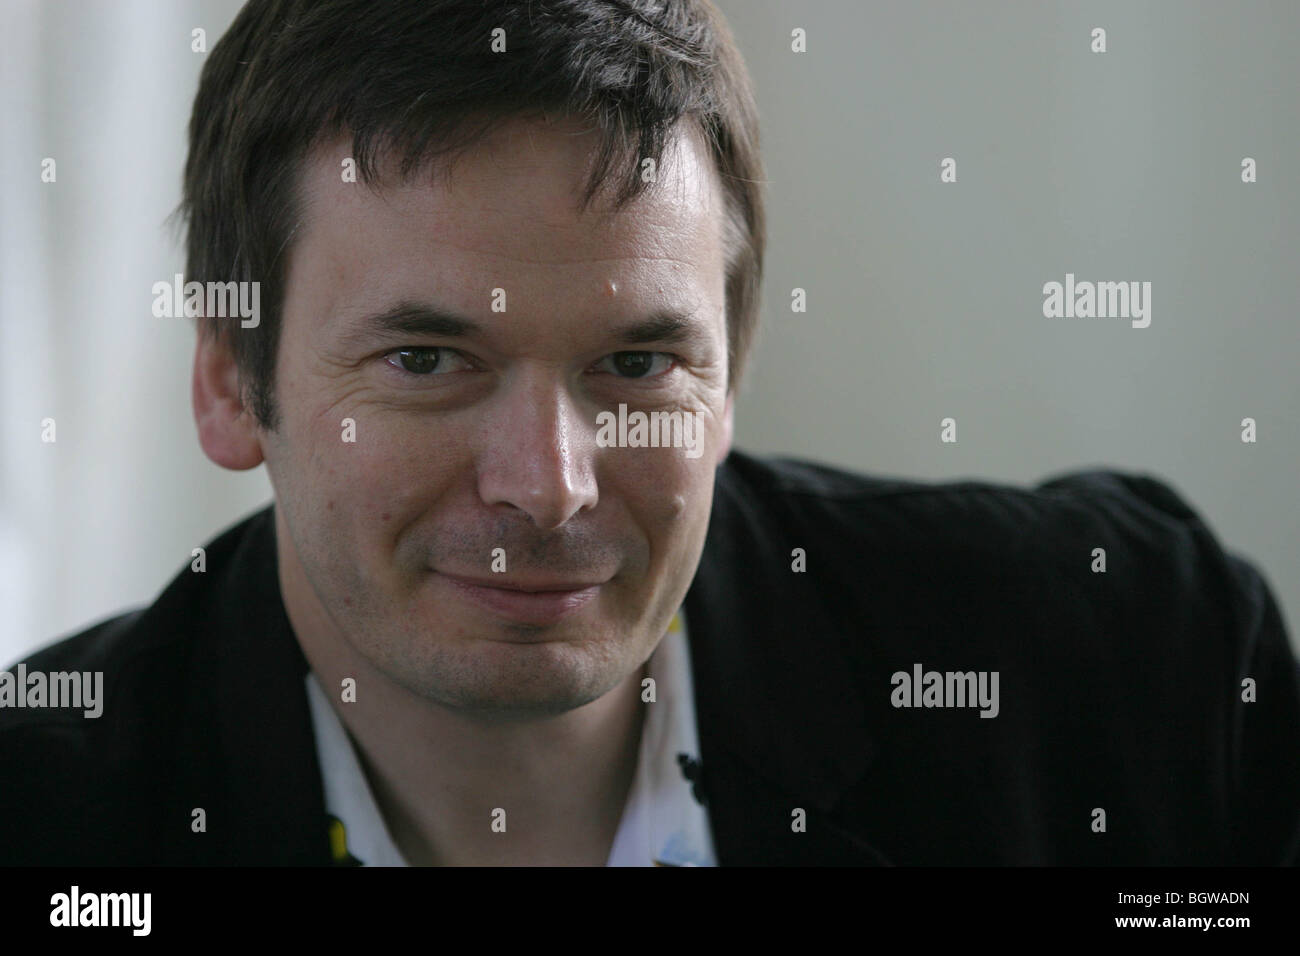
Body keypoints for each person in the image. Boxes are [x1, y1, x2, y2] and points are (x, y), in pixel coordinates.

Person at [2, 0, 1296, 867]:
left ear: (728, 380)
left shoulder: (1128, 678)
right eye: (428, 360)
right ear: (232, 383)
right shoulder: (48, 821)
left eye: (636, 361)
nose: (550, 487)